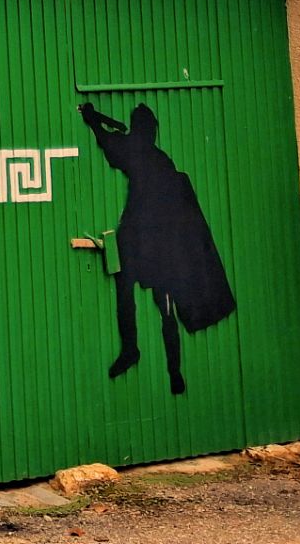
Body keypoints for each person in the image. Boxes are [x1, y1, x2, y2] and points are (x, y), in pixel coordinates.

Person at [80, 101, 235, 395]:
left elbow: (110, 147)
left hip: (140, 240)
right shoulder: (160, 158)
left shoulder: (137, 151)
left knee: (128, 293)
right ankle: (173, 371)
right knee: (165, 307)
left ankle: (131, 349)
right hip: (159, 245)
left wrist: (93, 120)